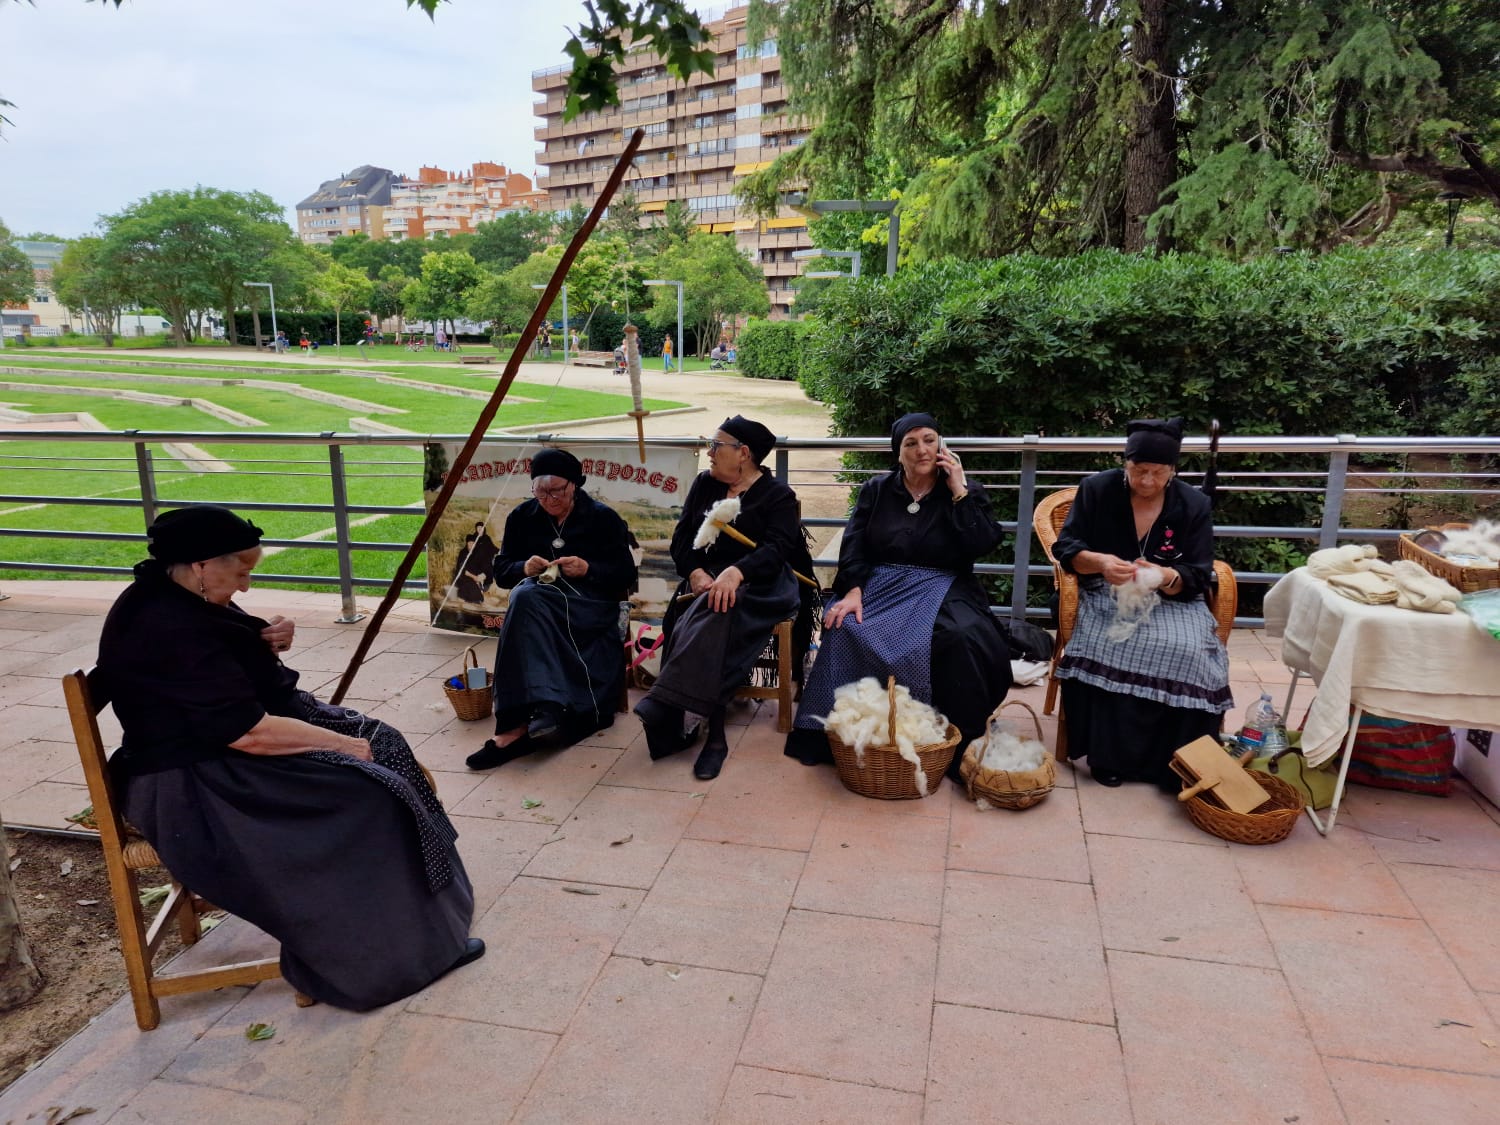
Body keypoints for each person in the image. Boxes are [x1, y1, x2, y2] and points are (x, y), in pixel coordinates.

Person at [96, 506, 482, 1012]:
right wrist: (340, 745)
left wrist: (268, 636)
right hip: (198, 784)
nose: (247, 585)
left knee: (386, 745)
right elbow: (248, 733)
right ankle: (382, 960)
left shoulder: (173, 593)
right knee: (367, 798)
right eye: (242, 572)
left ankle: (428, 918)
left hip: (222, 752)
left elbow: (221, 658)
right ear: (200, 564)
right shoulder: (163, 625)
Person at [786, 413, 1013, 779]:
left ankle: (956, 740)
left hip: (943, 585)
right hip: (881, 583)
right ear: (898, 453)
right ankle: (851, 734)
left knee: (959, 637)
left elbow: (983, 542)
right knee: (844, 625)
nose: (922, 449)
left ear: (941, 445)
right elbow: (855, 544)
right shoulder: (877, 490)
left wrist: (959, 490)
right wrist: (854, 589)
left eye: (929, 439)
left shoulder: (962, 489)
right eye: (911, 443)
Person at [1051, 417, 1233, 788]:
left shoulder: (1192, 504)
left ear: (1173, 470)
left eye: (1157, 472)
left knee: (1191, 652)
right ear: (1125, 464)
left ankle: (1176, 764)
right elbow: (1066, 547)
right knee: (1109, 641)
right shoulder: (1097, 490)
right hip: (1103, 594)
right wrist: (1100, 563)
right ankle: (1109, 757)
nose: (1147, 481)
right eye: (1138, 471)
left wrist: (1165, 576)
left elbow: (1198, 572)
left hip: (1172, 601)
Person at [634, 416, 815, 781]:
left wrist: (737, 572)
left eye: (716, 446)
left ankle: (690, 718)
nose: (709, 453)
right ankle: (710, 733)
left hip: (764, 584)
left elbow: (778, 549)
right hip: (708, 581)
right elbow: (682, 541)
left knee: (721, 605)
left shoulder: (777, 495)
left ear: (743, 453)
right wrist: (696, 573)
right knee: (716, 606)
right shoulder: (705, 485)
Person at [468, 449, 638, 770]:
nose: (549, 499)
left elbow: (625, 574)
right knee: (527, 596)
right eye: (540, 491)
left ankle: (517, 724)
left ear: (574, 484)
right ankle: (540, 710)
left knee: (527, 600)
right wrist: (523, 566)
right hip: (541, 604)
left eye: (557, 490)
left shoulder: (602, 518)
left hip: (590, 605)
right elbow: (503, 571)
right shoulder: (522, 517)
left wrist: (587, 568)